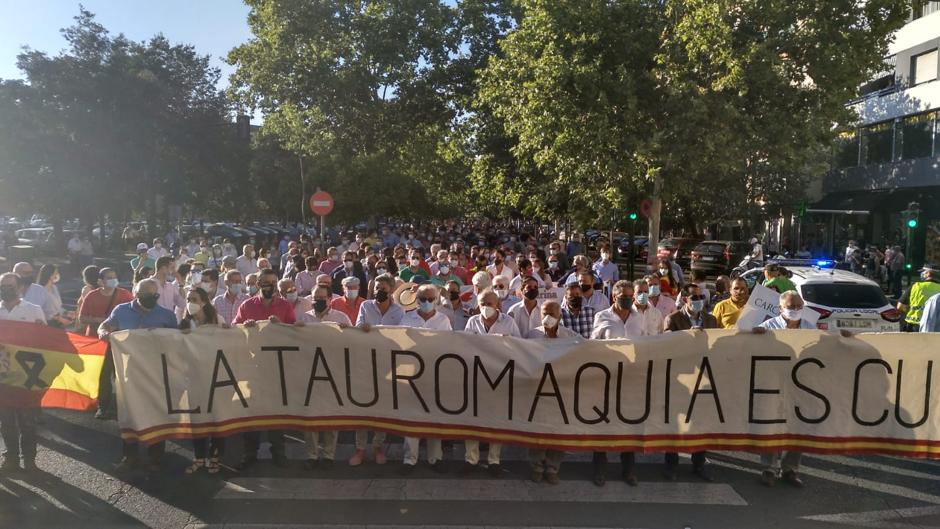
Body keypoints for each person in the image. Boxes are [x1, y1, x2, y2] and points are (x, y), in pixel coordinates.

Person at [751, 289, 848, 487]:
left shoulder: (810, 330)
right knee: (772, 426)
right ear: (780, 308)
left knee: (798, 427)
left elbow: (824, 350)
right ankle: (769, 468)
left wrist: (843, 339)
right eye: (790, 307)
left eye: (798, 307)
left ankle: (790, 469)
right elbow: (752, 350)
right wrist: (756, 336)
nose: (795, 310)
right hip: (774, 385)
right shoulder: (767, 327)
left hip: (802, 386)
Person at [98, 278, 178, 472]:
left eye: (154, 295)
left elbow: (177, 341)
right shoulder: (121, 310)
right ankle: (130, 455)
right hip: (128, 373)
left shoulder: (167, 316)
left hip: (155, 373)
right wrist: (103, 333)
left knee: (156, 412)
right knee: (128, 414)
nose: (151, 298)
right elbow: (105, 326)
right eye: (146, 295)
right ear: (136, 293)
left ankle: (155, 457)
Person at [590, 280, 662, 487]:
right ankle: (600, 468)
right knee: (603, 423)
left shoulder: (639, 318)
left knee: (630, 423)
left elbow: (648, 343)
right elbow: (593, 345)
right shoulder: (602, 316)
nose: (629, 299)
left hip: (632, 379)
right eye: (624, 296)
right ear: (614, 297)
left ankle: (629, 469)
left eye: (631, 296)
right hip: (607, 378)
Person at [232, 268, 298, 469]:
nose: (268, 286)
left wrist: (281, 326)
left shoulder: (285, 306)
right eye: (264, 282)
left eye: (272, 282)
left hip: (276, 367)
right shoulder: (247, 305)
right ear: (258, 284)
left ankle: (278, 453)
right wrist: (245, 326)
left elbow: (295, 333)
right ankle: (249, 453)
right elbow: (234, 329)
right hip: (253, 366)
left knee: (276, 412)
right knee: (251, 411)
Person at [661, 283, 717, 481]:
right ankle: (671, 465)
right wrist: (686, 336)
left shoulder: (711, 319)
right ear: (685, 299)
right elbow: (666, 341)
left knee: (700, 422)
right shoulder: (673, 318)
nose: (699, 301)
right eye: (694, 297)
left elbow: (718, 344)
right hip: (680, 378)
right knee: (675, 422)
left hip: (703, 378)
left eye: (701, 297)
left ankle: (699, 464)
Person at [462, 288, 521, 477]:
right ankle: (471, 459)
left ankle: (494, 460)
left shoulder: (509, 322)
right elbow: (466, 347)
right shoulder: (472, 322)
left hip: (500, 377)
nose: (486, 307)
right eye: (482, 304)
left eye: (489, 304)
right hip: (477, 376)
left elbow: (519, 347)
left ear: (498, 305)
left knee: (497, 419)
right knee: (472, 419)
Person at [350, 273, 405, 466]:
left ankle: (378, 446)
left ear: (391, 290)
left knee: (380, 407)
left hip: (386, 363)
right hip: (365, 362)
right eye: (376, 288)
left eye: (383, 288)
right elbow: (357, 327)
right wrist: (363, 327)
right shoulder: (366, 306)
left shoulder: (399, 311)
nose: (379, 291)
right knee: (363, 405)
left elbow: (400, 336)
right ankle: (360, 448)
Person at [398, 284, 452, 474]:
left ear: (436, 300)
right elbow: (399, 343)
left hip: (434, 374)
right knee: (411, 417)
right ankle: (409, 459)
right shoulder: (407, 318)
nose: (427, 303)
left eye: (430, 299)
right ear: (417, 300)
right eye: (423, 299)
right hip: (411, 374)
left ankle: (434, 457)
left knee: (433, 417)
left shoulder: (443, 320)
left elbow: (448, 347)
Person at [299, 284, 351, 469]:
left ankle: (329, 454)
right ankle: (312, 455)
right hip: (309, 371)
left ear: (330, 299)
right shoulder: (303, 318)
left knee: (330, 416)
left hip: (333, 372)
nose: (318, 301)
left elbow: (352, 344)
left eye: (322, 297)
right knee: (310, 416)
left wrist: (348, 332)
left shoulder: (341, 318)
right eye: (315, 297)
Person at [0, 272, 46, 472]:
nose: (6, 289)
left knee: (28, 422)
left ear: (19, 288)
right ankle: (10, 459)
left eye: (10, 285)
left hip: (27, 377)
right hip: (2, 377)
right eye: (3, 285)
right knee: (7, 422)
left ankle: (30, 461)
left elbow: (46, 343)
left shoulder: (34, 311)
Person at [524, 299, 573, 485]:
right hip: (537, 390)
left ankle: (553, 467)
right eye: (544, 313)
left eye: (552, 314)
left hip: (560, 390)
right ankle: (537, 465)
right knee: (537, 429)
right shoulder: (531, 335)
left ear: (560, 315)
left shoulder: (570, 337)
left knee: (557, 430)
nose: (548, 317)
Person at [179, 287, 226, 474]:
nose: (190, 302)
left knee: (217, 418)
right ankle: (199, 457)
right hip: (193, 378)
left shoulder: (218, 321)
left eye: (195, 299)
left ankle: (215, 457)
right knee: (197, 419)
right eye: (188, 298)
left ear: (204, 302)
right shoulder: (184, 324)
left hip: (216, 375)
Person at [77, 267, 134, 419]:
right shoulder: (91, 296)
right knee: (102, 376)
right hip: (98, 342)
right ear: (100, 281)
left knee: (122, 375)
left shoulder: (125, 294)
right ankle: (103, 406)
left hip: (119, 341)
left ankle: (126, 407)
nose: (113, 280)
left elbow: (134, 313)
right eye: (109, 277)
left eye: (114, 276)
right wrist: (101, 321)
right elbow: (82, 318)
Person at [899, 264, 940, 332]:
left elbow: (900, 306)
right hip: (935, 328)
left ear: (928, 273)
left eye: (923, 271)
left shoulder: (916, 286)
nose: (922, 274)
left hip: (913, 326)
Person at [37, 264, 71, 328]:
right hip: (46, 325)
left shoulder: (54, 287)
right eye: (56, 273)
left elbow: (58, 307)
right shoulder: (40, 290)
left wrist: (66, 313)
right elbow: (41, 311)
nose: (58, 275)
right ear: (50, 275)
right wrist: (59, 319)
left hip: (58, 324)